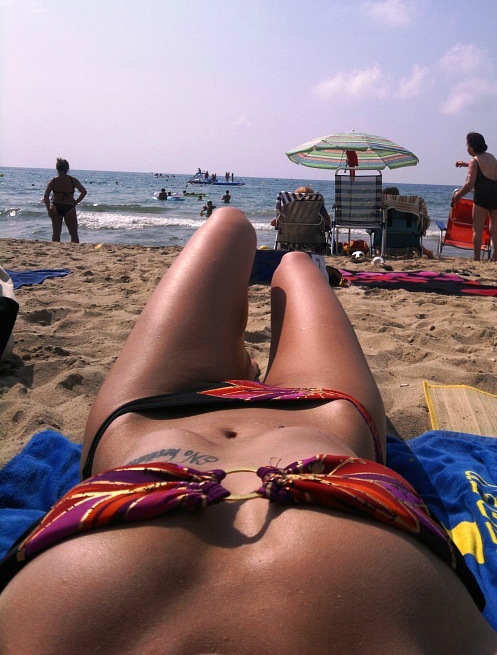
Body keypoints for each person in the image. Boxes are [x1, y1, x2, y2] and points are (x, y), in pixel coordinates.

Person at [1, 207, 496, 654]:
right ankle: (246, 350)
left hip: (166, 425)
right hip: (299, 431)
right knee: (293, 262)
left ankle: (240, 362)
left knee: (230, 224)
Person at [454, 132, 497, 261]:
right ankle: (496, 256)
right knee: (495, 228)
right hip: (495, 194)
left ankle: (477, 258)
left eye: (467, 145)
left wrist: (458, 195)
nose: (467, 148)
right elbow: (485, 167)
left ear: (472, 147)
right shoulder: (492, 157)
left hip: (482, 197)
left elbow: (469, 184)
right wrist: (465, 164)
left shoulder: (474, 161)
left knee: (477, 229)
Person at [43, 158, 87, 243]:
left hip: (56, 206)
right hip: (69, 207)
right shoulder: (72, 180)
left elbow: (46, 196)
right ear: (67, 169)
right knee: (73, 234)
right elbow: (84, 192)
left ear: (57, 169)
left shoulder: (53, 181)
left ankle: (55, 249)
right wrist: (76, 202)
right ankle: (75, 249)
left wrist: (48, 210)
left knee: (56, 233)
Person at [382, 186, 434, 258]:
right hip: (408, 241)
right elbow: (423, 220)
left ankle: (380, 251)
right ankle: (428, 253)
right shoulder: (407, 208)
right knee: (411, 238)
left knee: (385, 234)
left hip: (385, 241)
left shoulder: (384, 210)